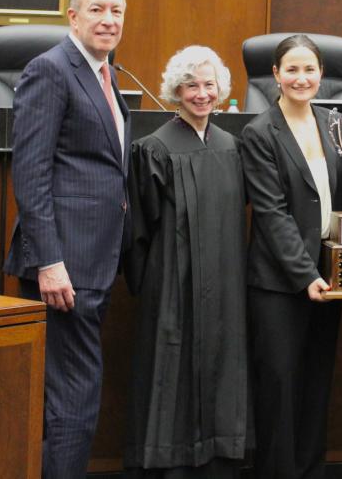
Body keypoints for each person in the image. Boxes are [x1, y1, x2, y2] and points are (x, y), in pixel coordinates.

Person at [3, 0, 130, 479]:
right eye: (97, 10)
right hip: (65, 268)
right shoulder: (51, 70)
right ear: (72, 16)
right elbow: (30, 175)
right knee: (73, 401)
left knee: (73, 399)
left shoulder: (106, 72)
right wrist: (50, 262)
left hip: (91, 261)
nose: (108, 20)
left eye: (117, 11)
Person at [123, 46, 250, 478]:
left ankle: (218, 459)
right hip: (173, 285)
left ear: (221, 90)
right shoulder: (154, 149)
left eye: (209, 84)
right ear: (176, 91)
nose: (201, 93)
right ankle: (169, 463)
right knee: (171, 367)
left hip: (226, 284)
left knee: (222, 364)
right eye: (191, 85)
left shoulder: (232, 147)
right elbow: (140, 226)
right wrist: (153, 283)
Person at [240, 34, 342, 479]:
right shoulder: (259, 132)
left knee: (316, 384)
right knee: (280, 390)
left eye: (310, 70)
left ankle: (310, 471)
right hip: (279, 284)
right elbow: (271, 213)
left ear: (323, 75)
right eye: (292, 69)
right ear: (276, 75)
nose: (301, 78)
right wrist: (306, 274)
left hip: (332, 277)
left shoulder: (334, 123)